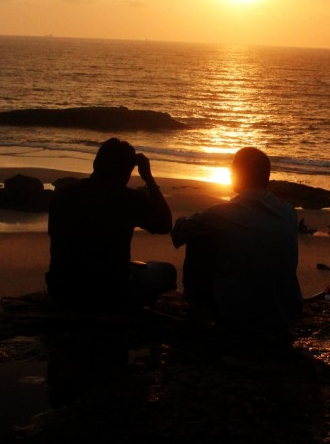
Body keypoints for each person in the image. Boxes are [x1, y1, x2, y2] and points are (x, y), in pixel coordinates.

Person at [171, 147, 303, 331]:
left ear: (239, 174)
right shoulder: (289, 212)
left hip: (236, 313)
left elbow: (178, 232)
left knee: (199, 236)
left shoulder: (225, 213)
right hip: (287, 311)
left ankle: (197, 306)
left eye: (232, 169)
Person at [46, 137, 176, 312]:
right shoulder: (129, 199)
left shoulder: (64, 195)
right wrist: (149, 179)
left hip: (61, 291)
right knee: (166, 271)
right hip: (110, 295)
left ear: (95, 163)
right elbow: (165, 224)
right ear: (127, 172)